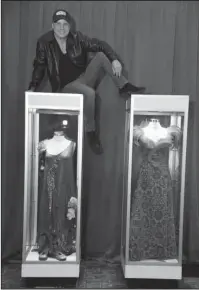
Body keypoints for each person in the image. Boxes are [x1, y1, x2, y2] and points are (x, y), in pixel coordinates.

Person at [28, 9, 146, 155]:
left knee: (102, 57)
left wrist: (114, 59)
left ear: (69, 26)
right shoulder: (44, 43)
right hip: (65, 87)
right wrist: (33, 88)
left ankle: (123, 86)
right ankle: (90, 131)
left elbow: (100, 45)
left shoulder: (77, 38)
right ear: (52, 26)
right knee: (89, 93)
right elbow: (40, 65)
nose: (62, 28)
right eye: (58, 24)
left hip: (83, 79)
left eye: (65, 24)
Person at [36, 118, 77, 261]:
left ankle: (59, 246)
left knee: (62, 214)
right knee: (47, 213)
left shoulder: (72, 144)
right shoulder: (44, 144)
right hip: (48, 186)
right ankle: (45, 246)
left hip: (65, 185)